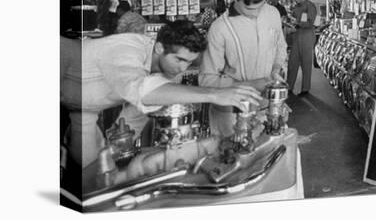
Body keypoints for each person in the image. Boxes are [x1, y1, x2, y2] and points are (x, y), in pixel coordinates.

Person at [61, 20, 262, 167]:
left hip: (83, 109)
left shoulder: (164, 73)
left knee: (94, 173)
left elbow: (137, 112)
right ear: (159, 48)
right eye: (179, 60)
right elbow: (142, 92)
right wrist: (215, 94)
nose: (183, 69)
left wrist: (120, 148)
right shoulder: (128, 48)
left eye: (189, 63)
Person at [199, 0, 287, 137]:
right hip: (231, 115)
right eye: (249, 9)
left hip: (267, 108)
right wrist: (253, 85)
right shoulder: (220, 28)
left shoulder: (272, 13)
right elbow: (206, 79)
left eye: (260, 7)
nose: (256, 14)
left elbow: (280, 47)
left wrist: (276, 69)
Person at [287, 0, 317, 96]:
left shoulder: (310, 6)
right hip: (297, 35)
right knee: (292, 62)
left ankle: (305, 89)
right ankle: (289, 87)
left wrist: (297, 22)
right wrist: (290, 25)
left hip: (307, 36)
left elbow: (310, 22)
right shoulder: (296, 7)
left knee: (306, 63)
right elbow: (295, 21)